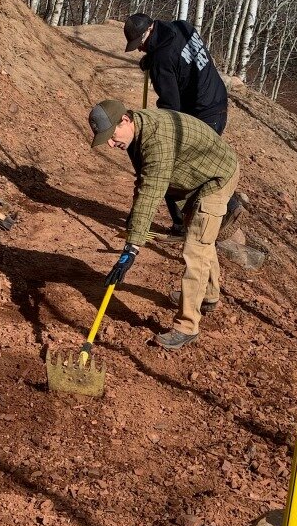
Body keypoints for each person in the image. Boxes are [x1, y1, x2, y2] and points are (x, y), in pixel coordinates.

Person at [89, 98, 239, 350]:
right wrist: (133, 232)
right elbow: (144, 181)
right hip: (196, 178)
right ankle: (209, 295)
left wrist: (132, 248)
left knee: (196, 247)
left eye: (112, 136)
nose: (112, 144)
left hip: (217, 177)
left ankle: (187, 326)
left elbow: (151, 191)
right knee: (201, 234)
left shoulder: (156, 140)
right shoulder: (137, 134)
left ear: (125, 120)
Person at [123, 12, 244, 234]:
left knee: (172, 164)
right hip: (216, 98)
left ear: (148, 31)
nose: (139, 49)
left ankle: (190, 221)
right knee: (200, 163)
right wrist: (153, 56)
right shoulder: (181, 26)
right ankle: (214, 210)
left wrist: (154, 129)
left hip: (202, 113)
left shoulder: (161, 60)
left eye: (139, 44)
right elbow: (181, 59)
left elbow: (171, 108)